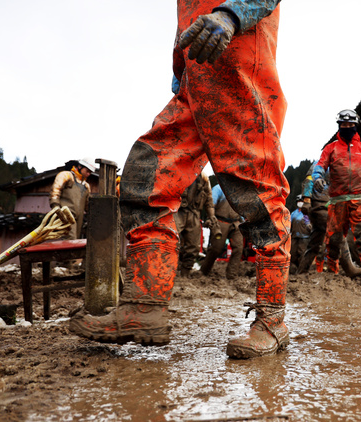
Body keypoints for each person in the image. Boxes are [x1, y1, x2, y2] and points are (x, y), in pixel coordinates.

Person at [70, 0, 290, 359]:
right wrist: (180, 72)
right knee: (146, 175)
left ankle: (272, 321)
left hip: (241, 79)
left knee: (258, 199)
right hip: (194, 86)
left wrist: (232, 14)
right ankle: (145, 307)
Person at [312, 109, 361, 290]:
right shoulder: (331, 148)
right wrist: (318, 177)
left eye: (350, 125)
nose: (347, 127)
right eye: (343, 125)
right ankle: (331, 277)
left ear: (356, 126)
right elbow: (320, 166)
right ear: (339, 126)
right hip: (337, 200)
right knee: (334, 240)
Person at [296, 162, 361, 277]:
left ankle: (302, 270)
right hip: (319, 206)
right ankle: (350, 268)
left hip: (327, 205)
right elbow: (308, 180)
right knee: (338, 233)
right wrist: (306, 200)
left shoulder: (337, 166)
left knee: (315, 241)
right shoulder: (320, 164)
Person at [175, 172, 218, 278]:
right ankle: (167, 271)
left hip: (194, 214)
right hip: (177, 212)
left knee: (193, 246)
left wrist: (211, 217)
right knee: (172, 242)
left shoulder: (204, 179)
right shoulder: (179, 172)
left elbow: (208, 201)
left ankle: (185, 274)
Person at [200, 184, 244, 280]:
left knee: (238, 248)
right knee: (216, 249)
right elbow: (211, 204)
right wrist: (210, 218)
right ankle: (204, 272)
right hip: (220, 222)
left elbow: (244, 208)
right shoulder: (218, 188)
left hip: (236, 222)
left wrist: (244, 222)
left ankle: (232, 276)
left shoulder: (242, 190)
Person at [49, 157, 96, 240]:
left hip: (79, 219)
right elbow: (56, 190)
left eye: (90, 172)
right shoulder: (67, 175)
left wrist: (93, 216)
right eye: (87, 171)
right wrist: (56, 206)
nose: (88, 174)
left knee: (76, 240)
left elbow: (87, 205)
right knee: (70, 239)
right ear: (80, 167)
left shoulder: (86, 186)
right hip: (65, 215)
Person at [290, 194, 311, 271]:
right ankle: (294, 269)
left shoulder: (308, 213)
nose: (300, 203)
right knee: (293, 253)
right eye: (298, 201)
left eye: (301, 201)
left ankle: (302, 270)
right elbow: (289, 224)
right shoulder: (293, 213)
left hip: (305, 238)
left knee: (303, 253)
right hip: (295, 237)